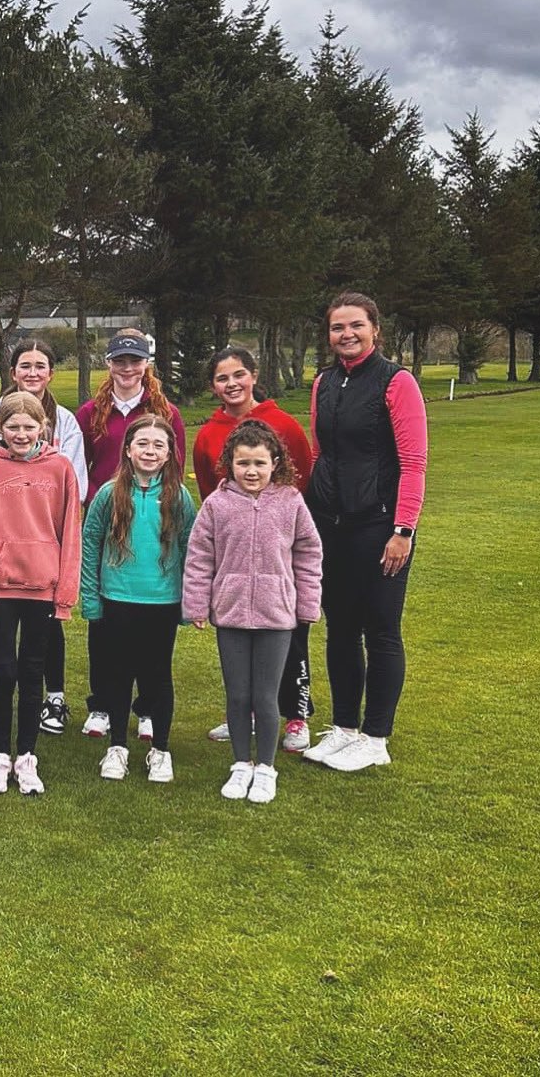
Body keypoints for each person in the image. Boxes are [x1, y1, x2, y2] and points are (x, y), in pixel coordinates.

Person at [302, 292, 428, 772]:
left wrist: (403, 529)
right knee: (339, 629)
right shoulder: (325, 383)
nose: (346, 334)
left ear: (375, 328)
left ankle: (375, 737)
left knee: (380, 630)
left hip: (380, 525)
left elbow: (413, 463)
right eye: (337, 327)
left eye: (356, 325)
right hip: (332, 523)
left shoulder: (397, 382)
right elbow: (319, 455)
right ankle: (345, 728)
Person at [182, 420, 322, 803]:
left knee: (266, 695)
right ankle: (241, 763)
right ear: (230, 463)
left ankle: (266, 768)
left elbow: (308, 554)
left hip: (278, 615)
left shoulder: (291, 501)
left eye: (260, 463)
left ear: (275, 462)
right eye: (243, 463)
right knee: (238, 696)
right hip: (230, 615)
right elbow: (199, 558)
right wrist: (196, 604)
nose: (252, 471)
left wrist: (307, 603)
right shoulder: (217, 505)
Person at [192, 347, 316, 752]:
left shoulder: (283, 425)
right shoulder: (209, 433)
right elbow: (212, 498)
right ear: (213, 386)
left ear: (254, 375)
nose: (232, 384)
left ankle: (295, 714)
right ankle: (242, 715)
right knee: (240, 653)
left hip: (278, 560)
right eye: (223, 378)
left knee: (290, 641)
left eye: (239, 375)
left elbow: (301, 481)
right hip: (235, 560)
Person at [0, 338, 88, 735]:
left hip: (45, 547)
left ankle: (54, 697)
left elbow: (71, 484)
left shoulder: (65, 421)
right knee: (1, 639)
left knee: (45, 631)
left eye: (40, 366)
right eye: (24, 366)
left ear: (50, 372)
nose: (32, 373)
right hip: (4, 549)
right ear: (12, 371)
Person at [75, 330, 185, 740]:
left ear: (146, 364)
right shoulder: (90, 412)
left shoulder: (164, 411)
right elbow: (81, 463)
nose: (127, 368)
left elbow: (174, 467)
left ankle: (145, 707)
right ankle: (102, 704)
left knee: (149, 631)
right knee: (106, 623)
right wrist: (94, 501)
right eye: (119, 361)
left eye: (134, 361)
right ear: (109, 363)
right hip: (105, 518)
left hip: (149, 521)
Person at [80, 415, 196, 784]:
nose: (150, 450)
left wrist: (189, 602)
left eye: (158, 444)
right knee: (117, 675)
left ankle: (160, 750)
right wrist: (91, 599)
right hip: (117, 598)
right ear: (128, 450)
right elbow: (90, 545)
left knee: (158, 676)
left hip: (161, 602)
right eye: (142, 443)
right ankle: (117, 746)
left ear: (169, 453)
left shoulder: (178, 496)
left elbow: (192, 549)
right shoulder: (107, 494)